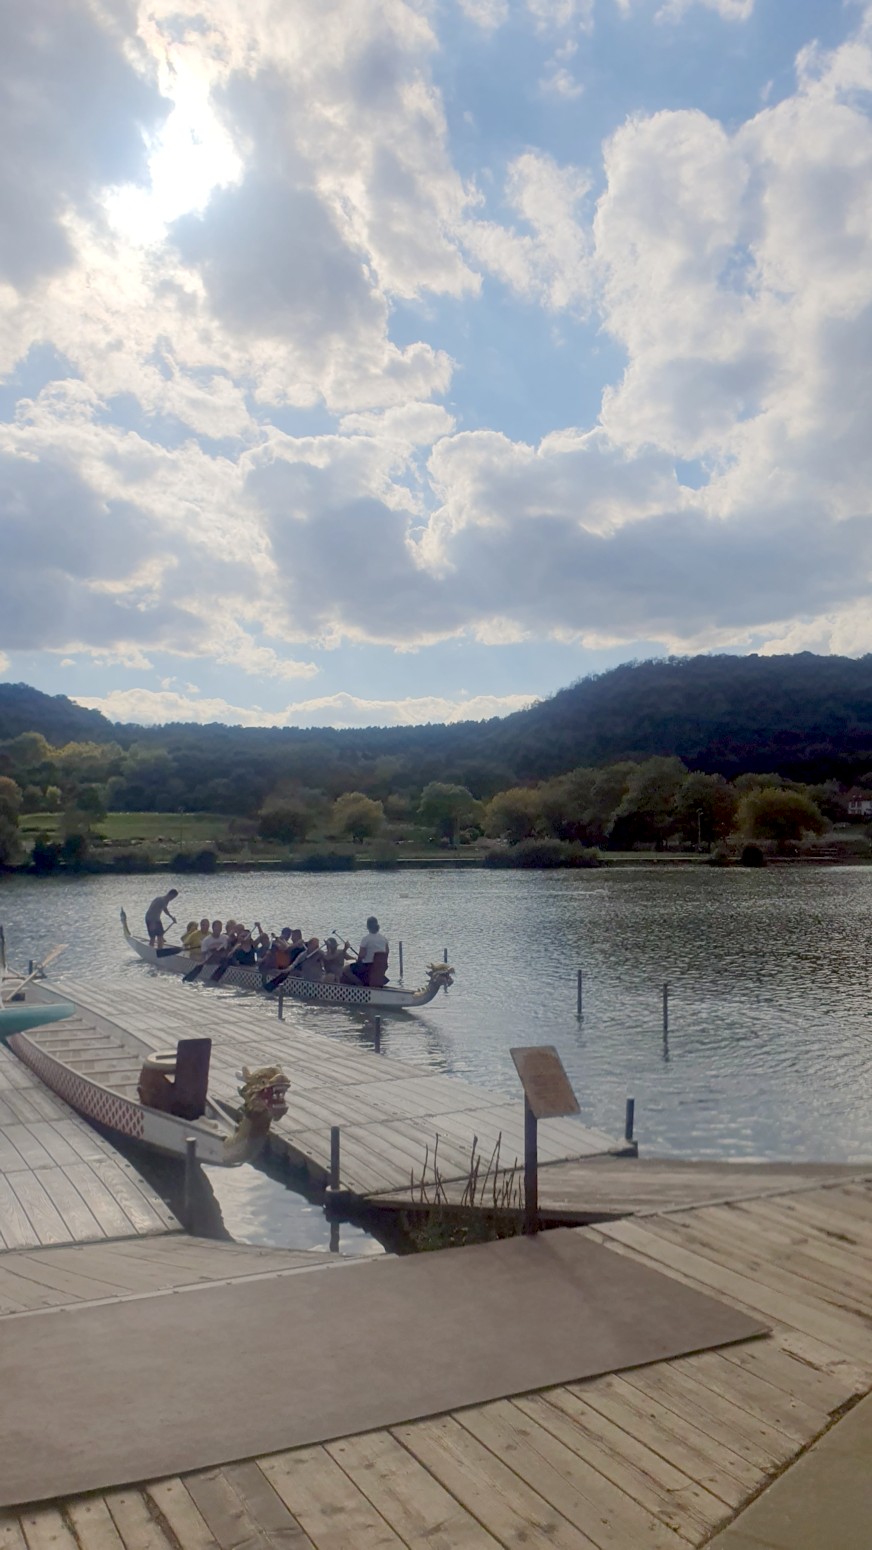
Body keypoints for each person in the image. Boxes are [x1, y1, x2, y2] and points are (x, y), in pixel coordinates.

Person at [350, 916, 389, 986]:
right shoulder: (384, 939)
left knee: (349, 969)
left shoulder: (366, 939)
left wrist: (358, 961)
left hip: (368, 966)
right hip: (381, 966)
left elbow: (361, 955)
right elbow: (387, 952)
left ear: (367, 927)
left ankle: (360, 985)